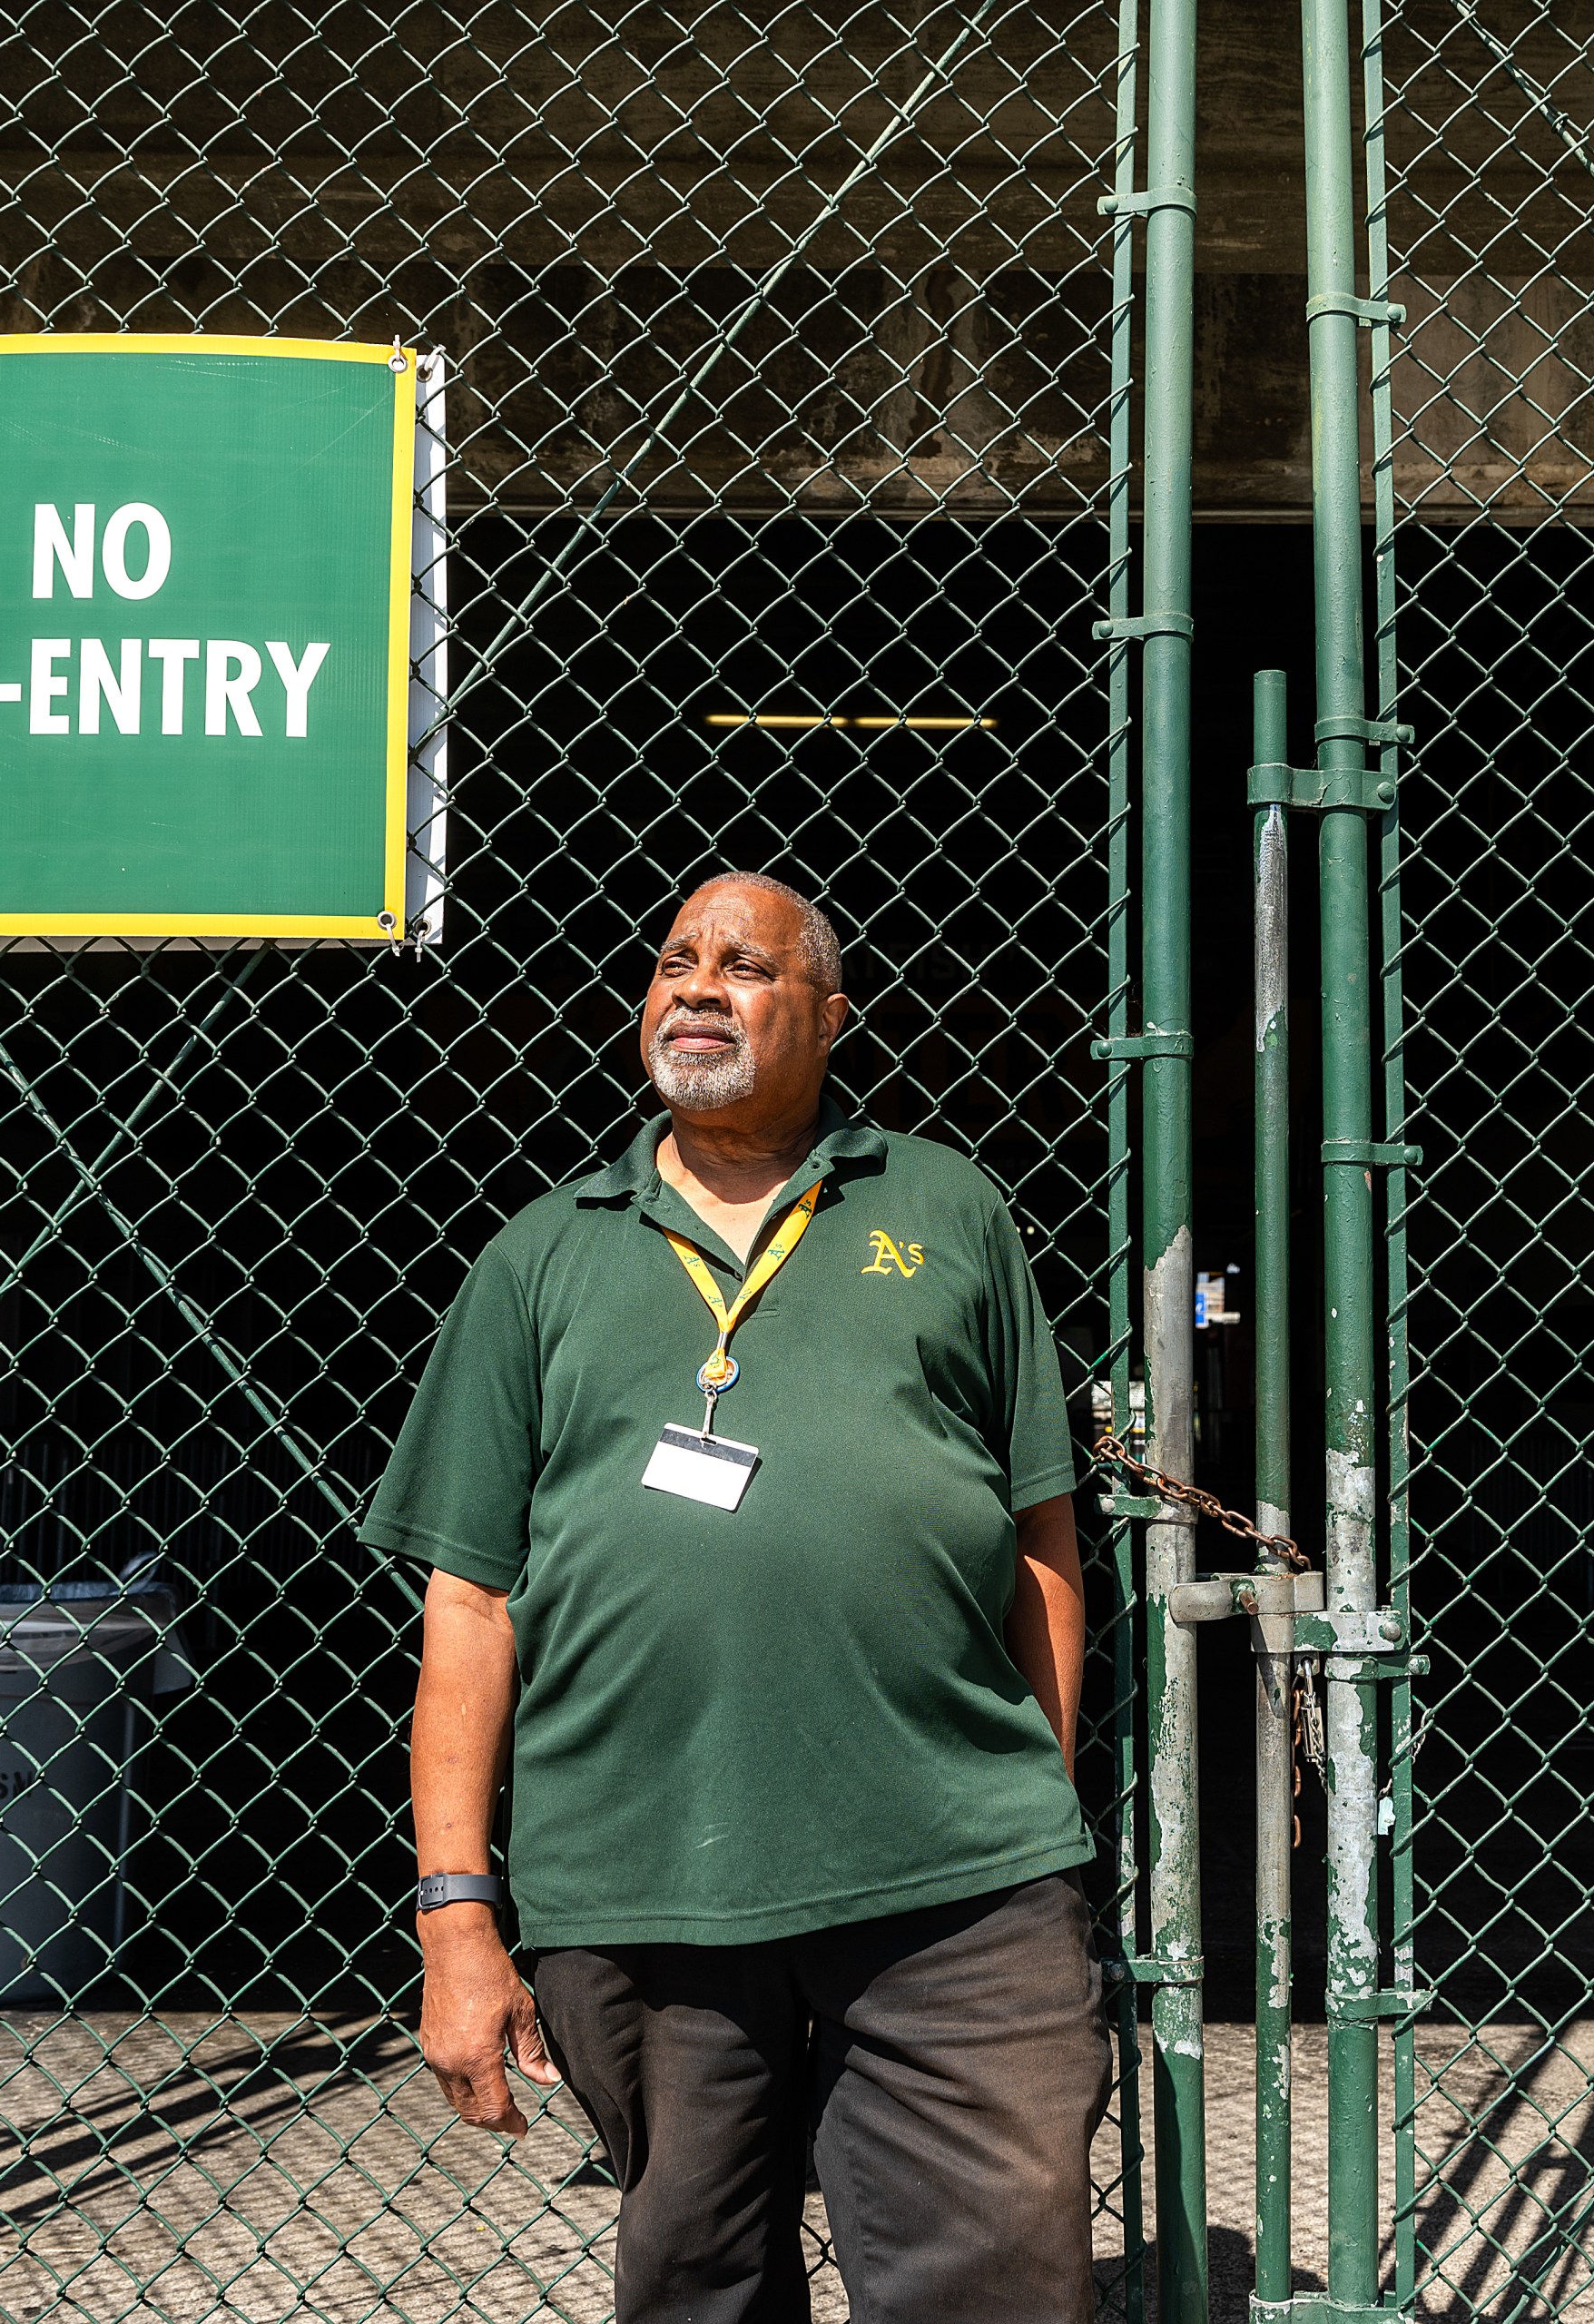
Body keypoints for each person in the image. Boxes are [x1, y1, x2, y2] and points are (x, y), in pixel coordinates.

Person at [369, 872, 1107, 2323]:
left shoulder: (948, 1209)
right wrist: (457, 1920)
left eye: (746, 968)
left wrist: (1032, 1809)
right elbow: (470, 1604)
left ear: (832, 1019)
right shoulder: (543, 1255)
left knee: (1001, 2279)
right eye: (674, 961)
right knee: (696, 2280)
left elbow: (1042, 1543)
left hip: (953, 1888)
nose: (697, 987)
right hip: (640, 1883)